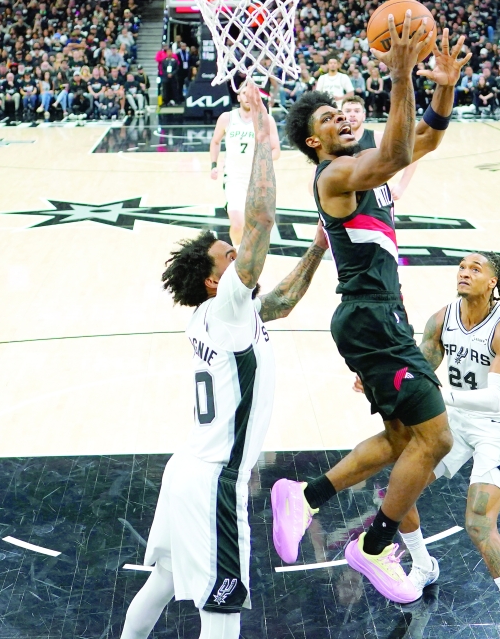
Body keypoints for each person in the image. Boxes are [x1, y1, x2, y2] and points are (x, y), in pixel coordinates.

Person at [120, 82, 328, 639]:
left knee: (162, 582)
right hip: (215, 480)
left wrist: (317, 247)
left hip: (184, 470)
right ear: (217, 280)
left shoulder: (217, 315)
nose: (237, 255)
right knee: (221, 608)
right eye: (227, 257)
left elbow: (279, 303)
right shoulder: (228, 305)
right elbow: (258, 222)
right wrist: (263, 132)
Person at [276, 13, 470, 604]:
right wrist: (402, 74)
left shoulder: (371, 170)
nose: (342, 118)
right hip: (370, 317)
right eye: (329, 118)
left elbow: (424, 138)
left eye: (344, 112)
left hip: (378, 317)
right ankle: (375, 542)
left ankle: (305, 497)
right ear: (315, 142)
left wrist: (443, 84)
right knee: (437, 440)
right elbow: (397, 149)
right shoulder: (336, 174)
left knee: (403, 439)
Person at [410, 251, 500, 637]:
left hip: (496, 428)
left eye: (476, 268)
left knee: (479, 523)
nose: (465, 272)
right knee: (397, 493)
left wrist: (439, 396)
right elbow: (420, 372)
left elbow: (495, 398)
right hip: (453, 422)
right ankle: (423, 566)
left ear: (493, 282)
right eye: (462, 267)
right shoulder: (441, 319)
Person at [209, 91, 281, 247]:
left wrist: (262, 159)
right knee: (237, 223)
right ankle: (236, 254)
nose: (248, 97)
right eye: (244, 93)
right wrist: (213, 165)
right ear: (239, 97)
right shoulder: (227, 118)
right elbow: (215, 142)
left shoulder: (266, 119)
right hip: (234, 178)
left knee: (255, 228)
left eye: (252, 94)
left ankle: (248, 256)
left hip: (258, 180)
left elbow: (276, 151)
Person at [341, 95, 417, 201]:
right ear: (341, 116)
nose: (352, 114)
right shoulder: (334, 143)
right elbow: (314, 182)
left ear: (364, 115)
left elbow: (412, 154)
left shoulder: (378, 137)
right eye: (348, 111)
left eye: (357, 111)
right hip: (346, 201)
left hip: (376, 203)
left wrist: (401, 187)